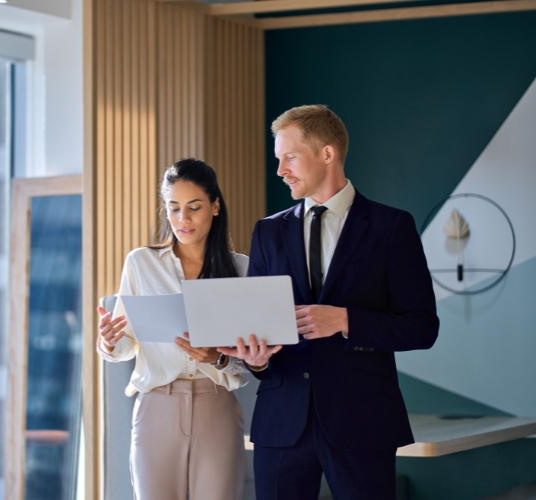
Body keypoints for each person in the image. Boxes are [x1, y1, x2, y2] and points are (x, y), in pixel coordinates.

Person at [220, 105, 439, 499]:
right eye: (278, 160)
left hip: (363, 420)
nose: (280, 170)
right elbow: (260, 328)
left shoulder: (391, 227)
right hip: (282, 422)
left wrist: (344, 320)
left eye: (289, 157)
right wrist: (257, 359)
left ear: (327, 153)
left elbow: (423, 326)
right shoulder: (268, 232)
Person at [97, 158, 248, 500]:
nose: (184, 219)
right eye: (174, 208)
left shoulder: (242, 269)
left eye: (194, 207)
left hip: (217, 407)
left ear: (215, 206)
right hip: (156, 407)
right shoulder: (140, 263)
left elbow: (250, 361)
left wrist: (218, 358)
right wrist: (108, 341)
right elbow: (125, 346)